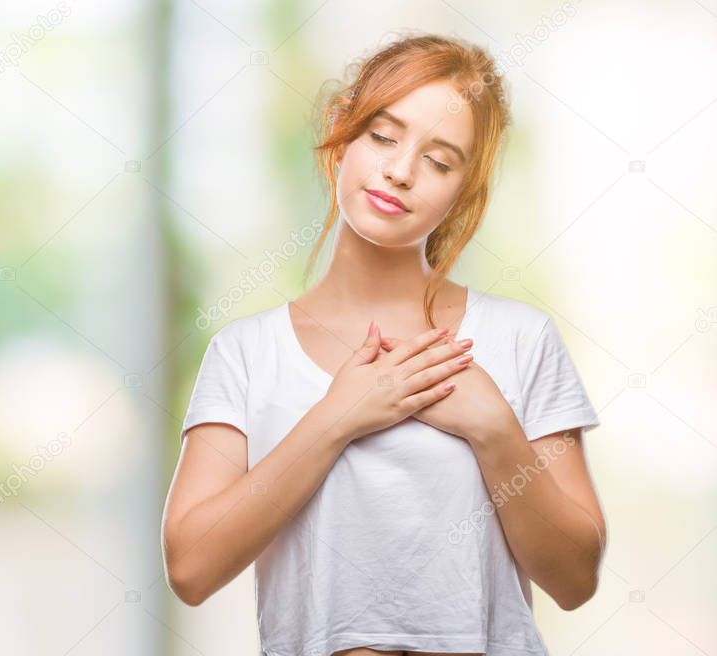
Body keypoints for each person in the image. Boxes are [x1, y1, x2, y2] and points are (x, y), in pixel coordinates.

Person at [161, 33, 605, 656]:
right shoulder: (245, 354)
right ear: (343, 130)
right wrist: (336, 419)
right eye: (383, 136)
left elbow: (575, 579)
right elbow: (191, 569)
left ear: (462, 191)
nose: (400, 171)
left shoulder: (519, 339)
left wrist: (496, 431)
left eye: (440, 160)